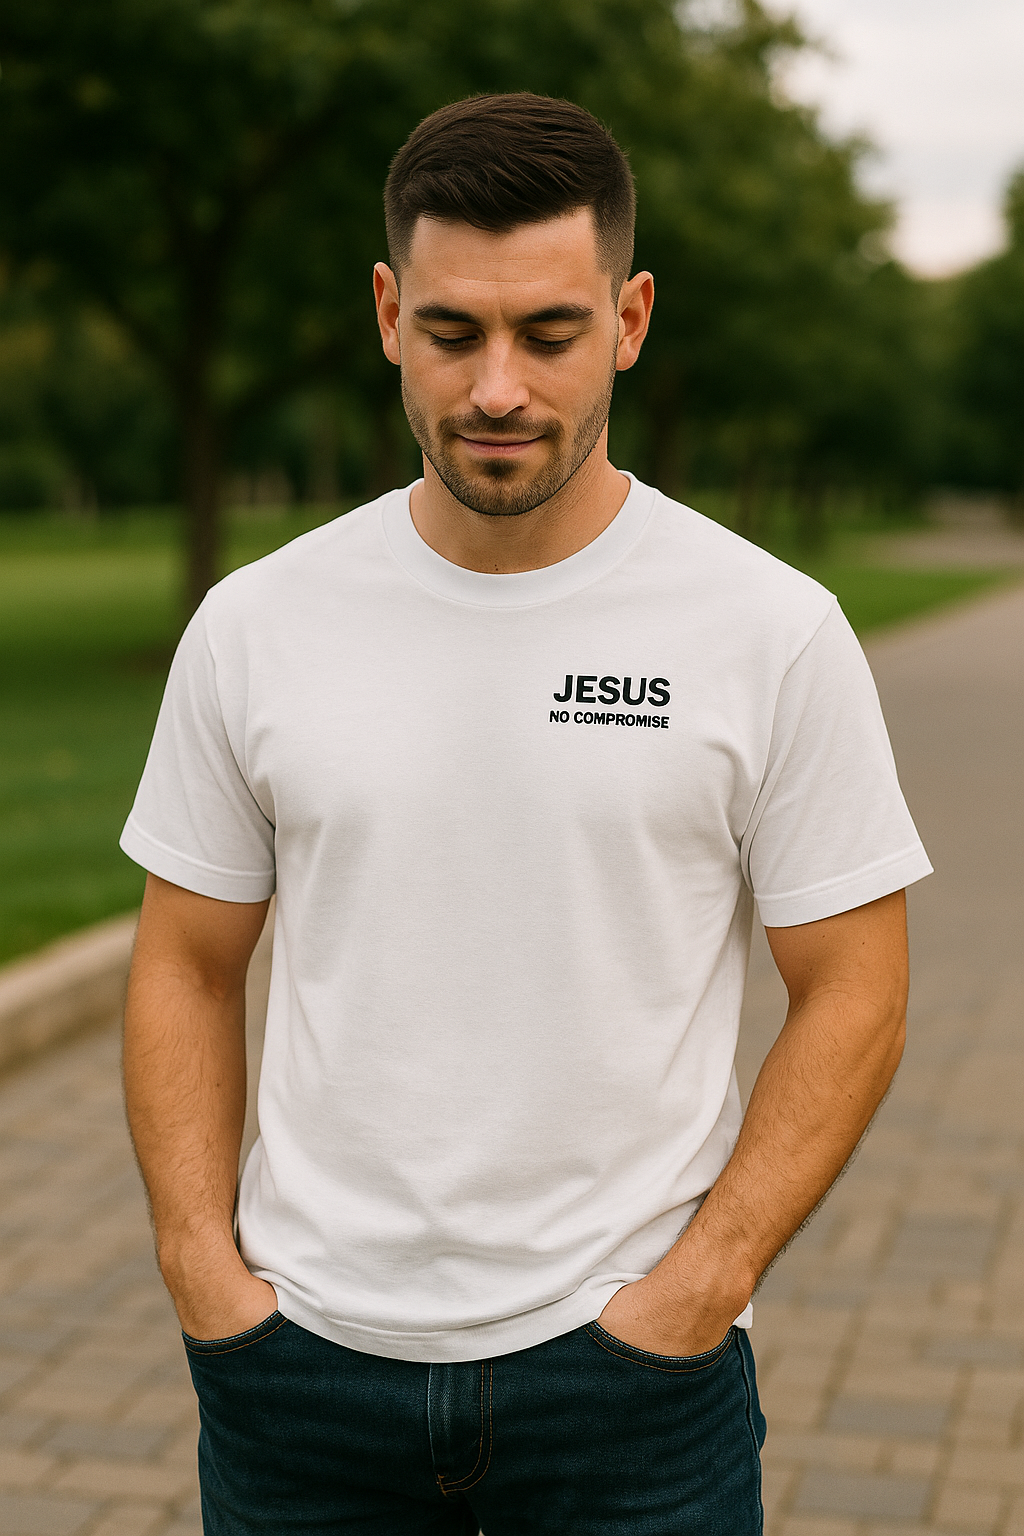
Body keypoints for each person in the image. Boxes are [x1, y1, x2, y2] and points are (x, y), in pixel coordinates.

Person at [121, 93, 931, 1534]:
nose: (497, 387)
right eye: (452, 332)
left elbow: (856, 988)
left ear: (630, 317)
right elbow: (186, 959)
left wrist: (704, 1285)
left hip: (632, 1389)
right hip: (300, 1372)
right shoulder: (259, 624)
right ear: (386, 312)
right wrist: (204, 1271)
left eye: (549, 335)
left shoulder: (770, 629)